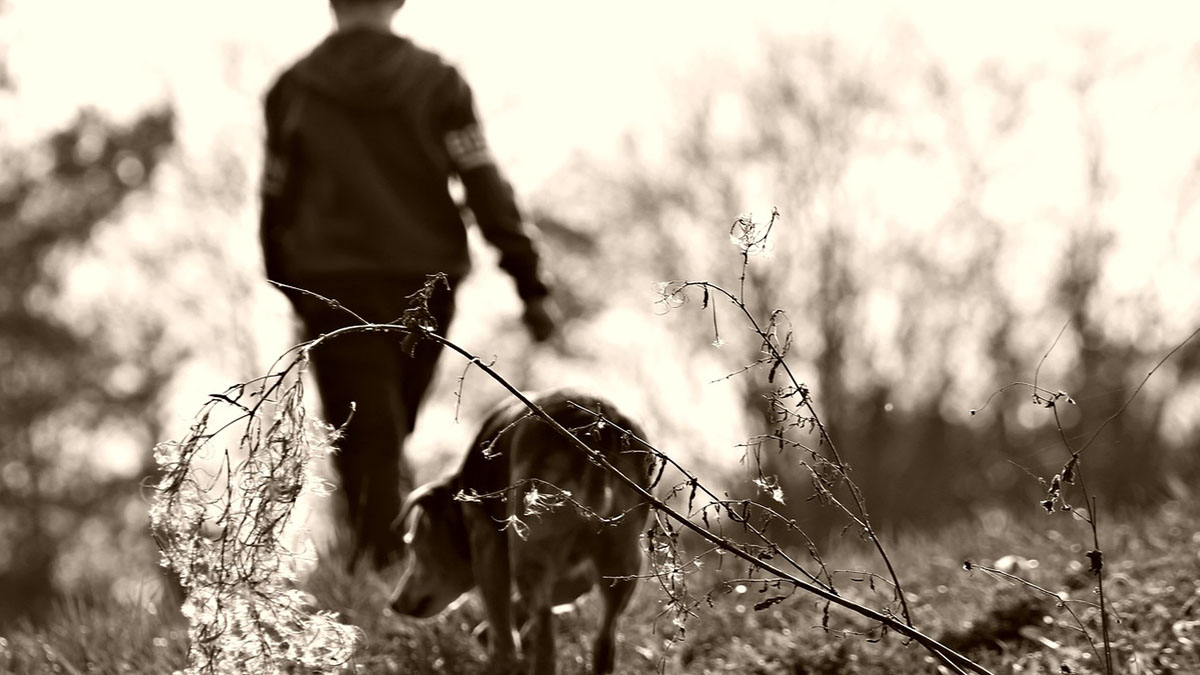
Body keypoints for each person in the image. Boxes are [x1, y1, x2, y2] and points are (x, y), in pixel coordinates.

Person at [259, 0, 556, 569]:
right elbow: (482, 179)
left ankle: (383, 569)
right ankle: (388, 569)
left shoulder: (291, 89)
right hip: (424, 280)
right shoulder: (439, 82)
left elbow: (275, 199)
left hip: (330, 284)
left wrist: (288, 281)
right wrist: (529, 281)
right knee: (380, 431)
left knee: (373, 433)